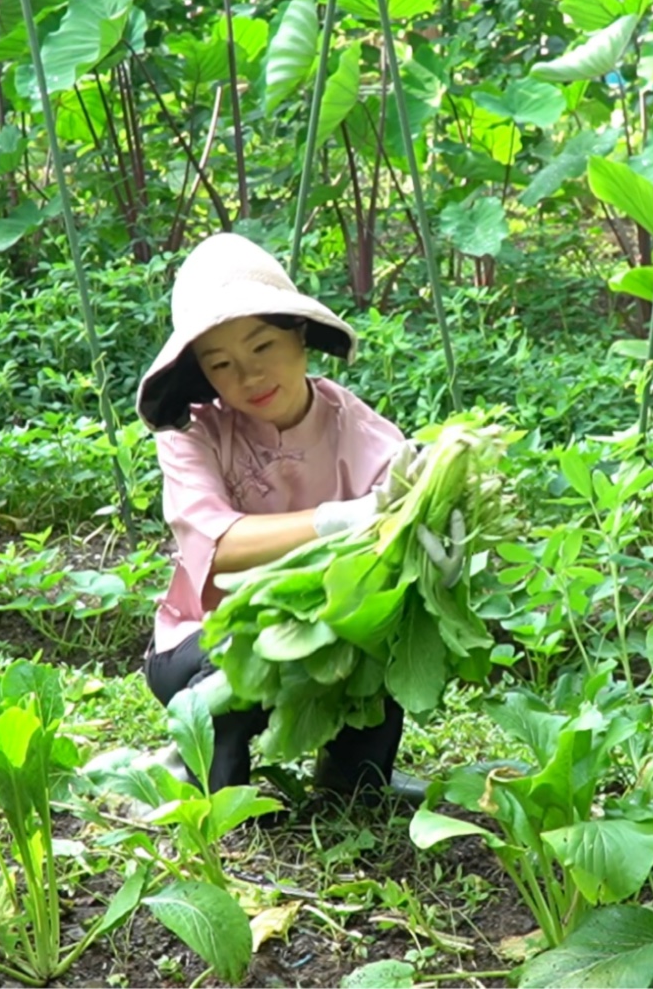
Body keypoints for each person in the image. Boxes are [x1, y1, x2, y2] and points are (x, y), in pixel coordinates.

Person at [134, 232, 437, 802]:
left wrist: (433, 536)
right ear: (202, 374)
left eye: (263, 347)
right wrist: (346, 519)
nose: (248, 377)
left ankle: (356, 778)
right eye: (222, 363)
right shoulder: (191, 435)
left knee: (389, 627)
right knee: (240, 662)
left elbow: (400, 543)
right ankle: (198, 773)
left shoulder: (362, 432)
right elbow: (217, 546)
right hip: (205, 638)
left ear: (301, 336)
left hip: (328, 629)